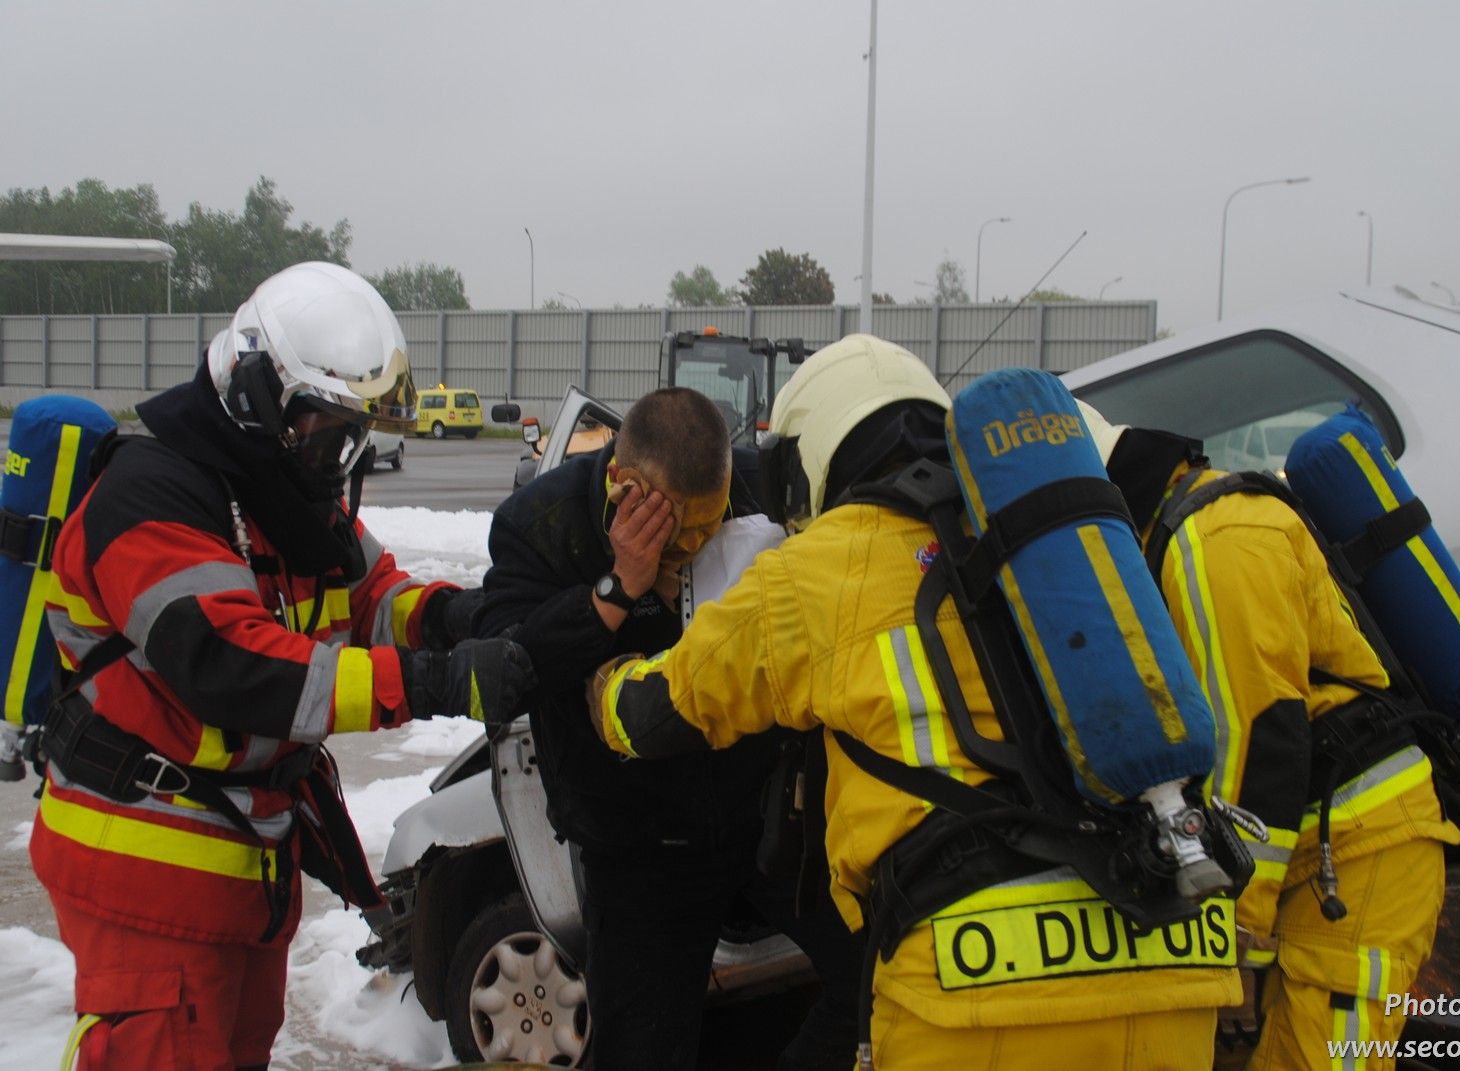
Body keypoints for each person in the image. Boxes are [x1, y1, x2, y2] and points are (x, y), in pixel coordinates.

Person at [586, 336, 1241, 1071]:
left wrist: (604, 682)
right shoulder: (1042, 539)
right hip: (1174, 960)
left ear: (809, 459)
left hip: (973, 991)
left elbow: (661, 709)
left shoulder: (816, 568)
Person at [30, 261, 531, 1071]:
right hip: (151, 882)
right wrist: (433, 682)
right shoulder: (150, 497)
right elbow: (238, 666)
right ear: (256, 393)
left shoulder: (281, 491)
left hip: (240, 872)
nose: (340, 452)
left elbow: (370, 590)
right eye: (326, 428)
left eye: (351, 432)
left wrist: (449, 616)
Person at [475, 386, 862, 1071]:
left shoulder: (757, 488)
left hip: (766, 814)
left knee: (875, 975)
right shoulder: (541, 523)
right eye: (680, 530)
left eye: (713, 527)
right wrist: (617, 590)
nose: (695, 547)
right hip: (638, 846)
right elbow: (508, 671)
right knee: (644, 1048)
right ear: (624, 484)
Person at [1076, 401, 1459, 1071]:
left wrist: (1236, 939)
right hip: (1320, 846)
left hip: (1361, 854)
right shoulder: (1184, 527)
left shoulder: (1216, 539)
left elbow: (1255, 742)